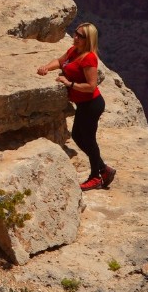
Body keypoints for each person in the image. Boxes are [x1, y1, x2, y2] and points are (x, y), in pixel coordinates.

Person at [38, 23, 116, 191]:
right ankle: (104, 169)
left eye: (80, 36)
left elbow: (91, 86)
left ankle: (96, 177)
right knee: (78, 137)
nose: (75, 37)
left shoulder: (89, 58)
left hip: (92, 104)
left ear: (88, 39)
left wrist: (69, 83)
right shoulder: (73, 51)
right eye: (75, 33)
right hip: (83, 104)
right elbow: (59, 62)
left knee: (88, 139)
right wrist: (46, 67)